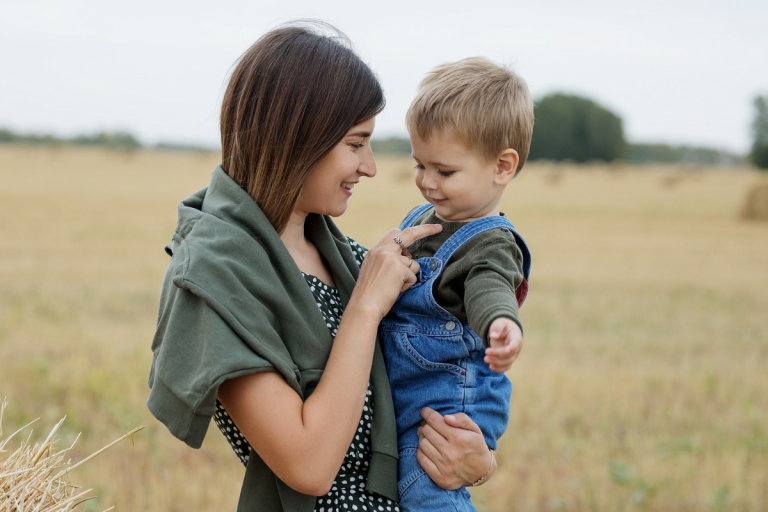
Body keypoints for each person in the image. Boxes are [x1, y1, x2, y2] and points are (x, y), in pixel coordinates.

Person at [146, 23, 497, 512]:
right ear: (297, 138)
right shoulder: (212, 281)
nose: (371, 167)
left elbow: (439, 383)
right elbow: (309, 466)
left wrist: (476, 463)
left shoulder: (346, 258)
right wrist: (365, 308)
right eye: (356, 144)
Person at [379, 57, 534, 511]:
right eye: (419, 165)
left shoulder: (490, 244)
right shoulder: (424, 219)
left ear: (502, 167)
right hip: (414, 398)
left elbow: (490, 289)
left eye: (444, 172)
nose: (426, 182)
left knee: (425, 491)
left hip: (448, 410)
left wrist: (501, 324)